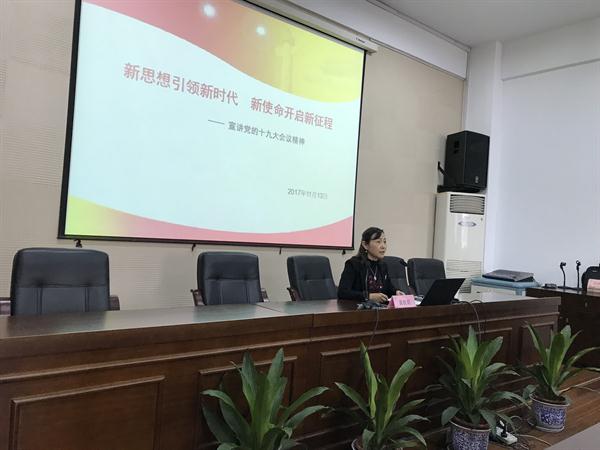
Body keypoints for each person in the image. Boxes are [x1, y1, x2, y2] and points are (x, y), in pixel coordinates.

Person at [337, 226, 401, 302]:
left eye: (384, 242)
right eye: (378, 242)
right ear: (365, 245)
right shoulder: (353, 264)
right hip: (358, 308)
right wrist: (368, 296)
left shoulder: (383, 266)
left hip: (380, 307)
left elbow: (388, 288)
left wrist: (396, 292)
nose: (383, 246)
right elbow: (342, 292)